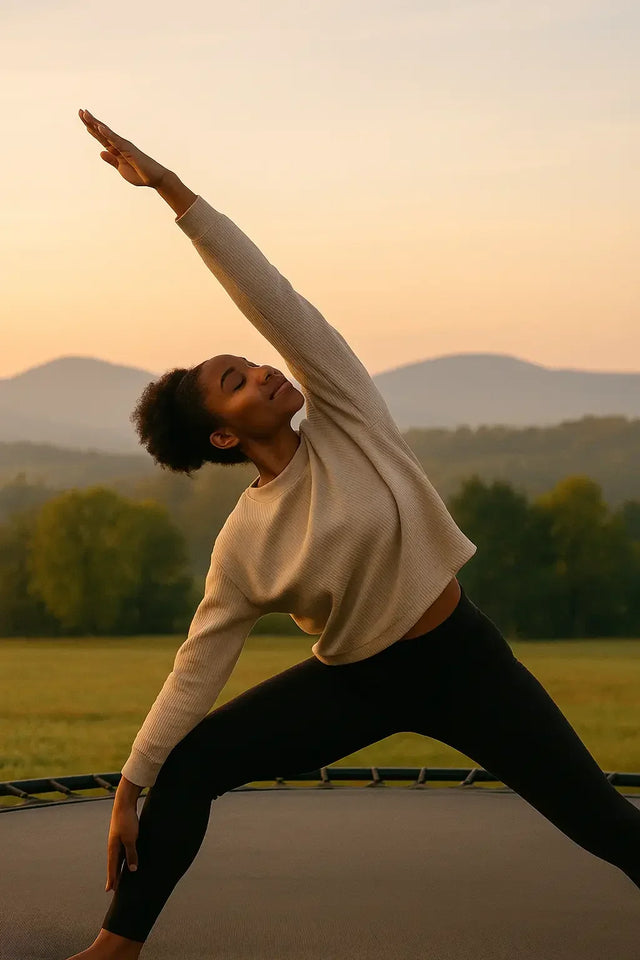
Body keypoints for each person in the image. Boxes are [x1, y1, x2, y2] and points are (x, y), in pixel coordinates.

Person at [65, 109, 640, 960]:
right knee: (191, 764)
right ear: (224, 434)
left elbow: (272, 296)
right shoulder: (246, 543)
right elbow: (198, 667)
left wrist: (175, 194)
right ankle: (116, 951)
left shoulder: (345, 414)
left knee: (602, 820)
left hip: (462, 658)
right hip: (356, 681)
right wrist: (130, 784)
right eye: (238, 379)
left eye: (255, 362)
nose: (263, 369)